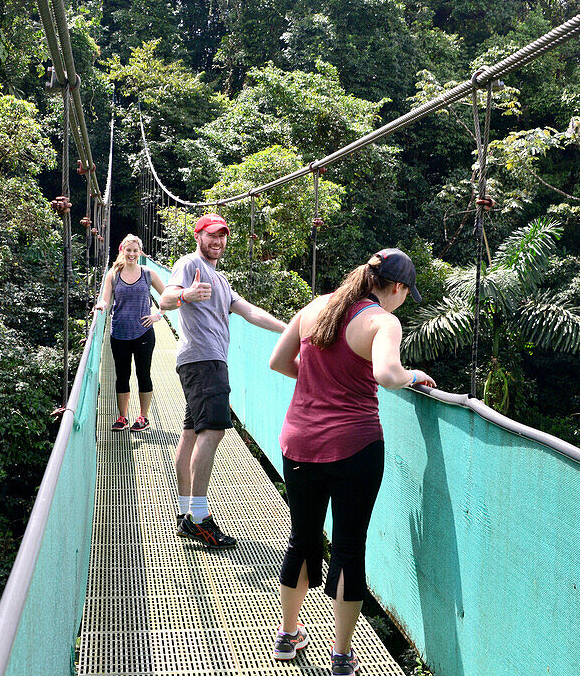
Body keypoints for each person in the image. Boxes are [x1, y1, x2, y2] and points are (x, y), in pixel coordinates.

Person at [267, 249, 435, 675]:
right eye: (404, 293)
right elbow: (388, 375)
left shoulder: (316, 307)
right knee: (348, 547)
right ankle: (341, 656)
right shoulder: (383, 321)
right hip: (355, 447)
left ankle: (288, 636)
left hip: (299, 443)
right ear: (396, 288)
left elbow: (278, 361)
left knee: (301, 539)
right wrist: (415, 376)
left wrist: (314, 381)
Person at [158, 213, 286, 549]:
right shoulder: (189, 264)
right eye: (212, 235)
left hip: (203, 363)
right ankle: (200, 519)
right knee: (212, 433)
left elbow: (249, 311)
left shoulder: (221, 279)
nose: (218, 241)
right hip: (204, 362)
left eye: (223, 236)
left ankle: (185, 512)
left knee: (190, 436)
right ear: (198, 236)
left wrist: (290, 330)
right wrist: (186, 295)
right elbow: (165, 300)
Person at [94, 234, 167, 432]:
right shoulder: (114, 273)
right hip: (119, 333)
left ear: (140, 252)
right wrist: (101, 304)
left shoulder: (148, 273)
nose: (132, 254)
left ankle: (143, 417)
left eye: (135, 251)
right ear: (122, 251)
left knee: (144, 374)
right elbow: (106, 298)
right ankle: (122, 417)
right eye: (129, 250)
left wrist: (158, 315)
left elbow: (168, 296)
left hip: (143, 332)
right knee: (122, 375)